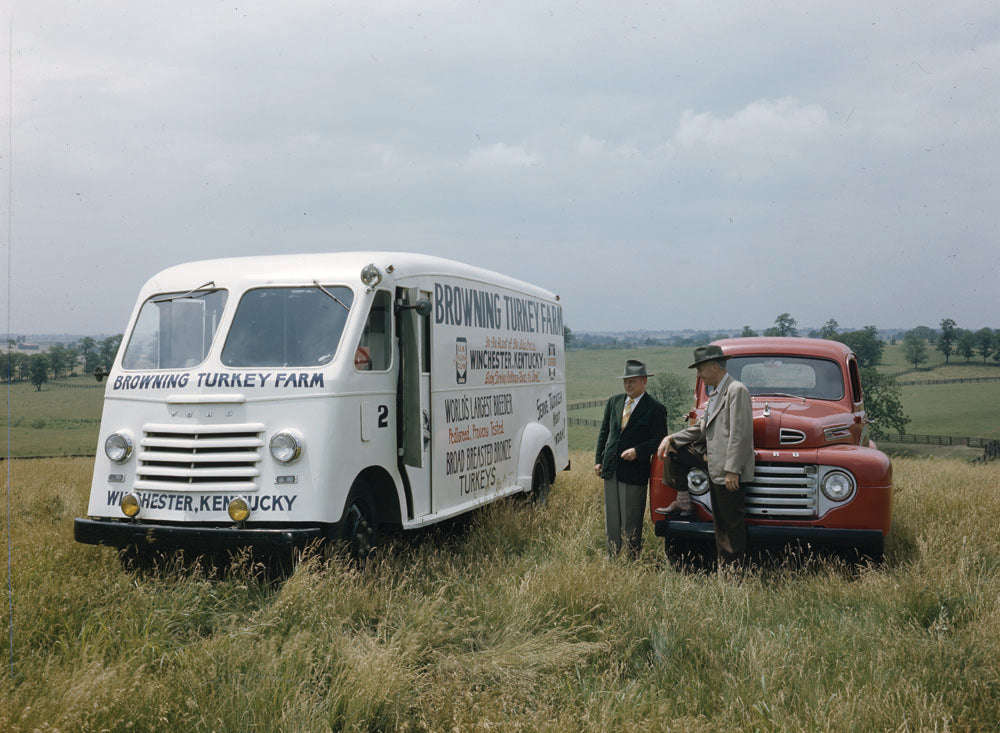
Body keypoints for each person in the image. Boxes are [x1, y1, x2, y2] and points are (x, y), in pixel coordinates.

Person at [657, 345, 754, 567]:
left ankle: (732, 573)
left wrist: (733, 470)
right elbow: (700, 429)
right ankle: (683, 501)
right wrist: (671, 439)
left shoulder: (736, 390)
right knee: (720, 523)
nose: (699, 375)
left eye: (700, 369)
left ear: (714, 366)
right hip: (716, 466)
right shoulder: (715, 395)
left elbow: (740, 433)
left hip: (727, 470)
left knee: (730, 524)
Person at [594, 359, 667, 559]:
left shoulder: (655, 408)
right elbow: (604, 432)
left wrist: (638, 451)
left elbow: (660, 439)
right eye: (626, 381)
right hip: (611, 467)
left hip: (635, 471)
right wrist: (598, 460)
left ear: (644, 381)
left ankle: (631, 557)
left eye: (632, 381)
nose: (628, 385)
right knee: (612, 517)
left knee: (631, 517)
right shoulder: (614, 402)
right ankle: (612, 555)